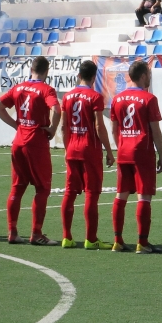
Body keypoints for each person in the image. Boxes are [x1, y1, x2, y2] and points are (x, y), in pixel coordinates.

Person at [0, 56, 61, 245]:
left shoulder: (18, 87)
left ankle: (13, 232)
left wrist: (16, 125)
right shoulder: (46, 89)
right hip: (36, 142)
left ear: (30, 69)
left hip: (19, 141)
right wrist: (53, 129)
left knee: (17, 187)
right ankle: (36, 234)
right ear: (46, 71)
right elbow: (56, 110)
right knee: (42, 188)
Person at [59, 60, 115, 250]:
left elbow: (63, 126)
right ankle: (90, 239)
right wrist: (108, 150)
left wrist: (68, 148)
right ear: (93, 77)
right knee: (91, 193)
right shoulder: (95, 97)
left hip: (72, 149)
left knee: (70, 192)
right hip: (89, 149)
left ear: (78, 75)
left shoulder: (67, 97)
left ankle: (66, 237)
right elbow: (99, 126)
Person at [110, 60, 162, 254]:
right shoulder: (149, 99)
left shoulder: (117, 98)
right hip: (142, 152)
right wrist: (161, 154)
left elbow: (114, 128)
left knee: (121, 195)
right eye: (148, 74)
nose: (150, 77)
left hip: (123, 151)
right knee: (144, 196)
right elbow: (155, 130)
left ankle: (117, 240)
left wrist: (121, 146)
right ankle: (142, 242)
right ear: (142, 76)